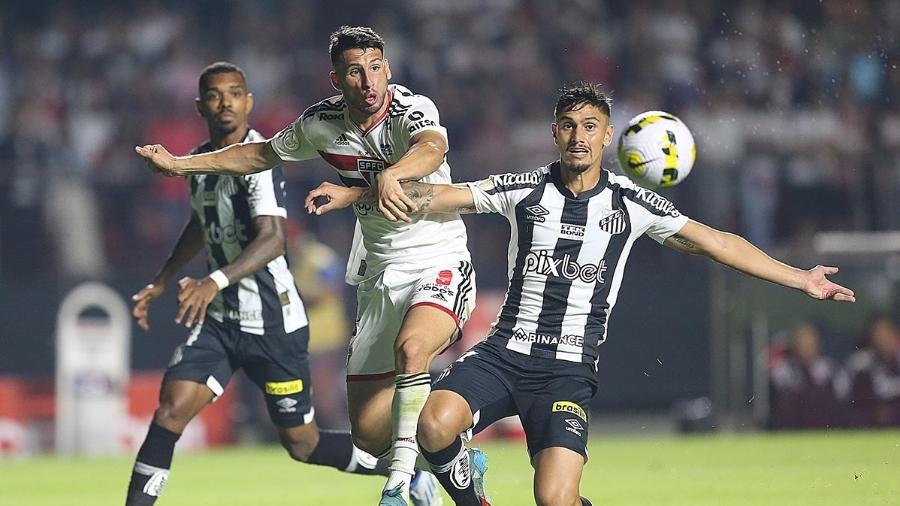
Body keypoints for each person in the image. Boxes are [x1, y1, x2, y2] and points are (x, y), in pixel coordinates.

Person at [304, 82, 857, 506]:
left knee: (554, 499)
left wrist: (800, 278)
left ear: (607, 135)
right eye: (567, 126)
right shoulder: (522, 189)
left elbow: (716, 242)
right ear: (554, 134)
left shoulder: (632, 203)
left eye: (589, 126)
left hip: (566, 370)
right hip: (503, 354)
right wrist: (356, 190)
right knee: (432, 423)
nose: (577, 137)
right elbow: (437, 196)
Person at [135, 27, 474, 505]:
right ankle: (449, 444)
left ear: (389, 70)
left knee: (413, 349)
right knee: (367, 434)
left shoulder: (410, 110)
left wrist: (393, 173)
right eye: (355, 71)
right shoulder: (321, 124)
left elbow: (431, 149)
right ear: (337, 79)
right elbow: (257, 154)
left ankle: (402, 481)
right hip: (380, 272)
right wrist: (178, 165)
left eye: (376, 67)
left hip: (438, 256)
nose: (368, 80)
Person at [768, 322, 846, 429]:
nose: (806, 346)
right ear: (794, 344)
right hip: (793, 431)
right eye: (801, 341)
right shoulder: (783, 371)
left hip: (828, 431)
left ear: (818, 343)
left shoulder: (832, 369)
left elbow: (842, 400)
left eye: (810, 341)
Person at [846, 315, 900, 427]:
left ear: (894, 336)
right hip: (871, 422)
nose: (882, 340)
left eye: (885, 334)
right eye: (878, 335)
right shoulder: (861, 364)